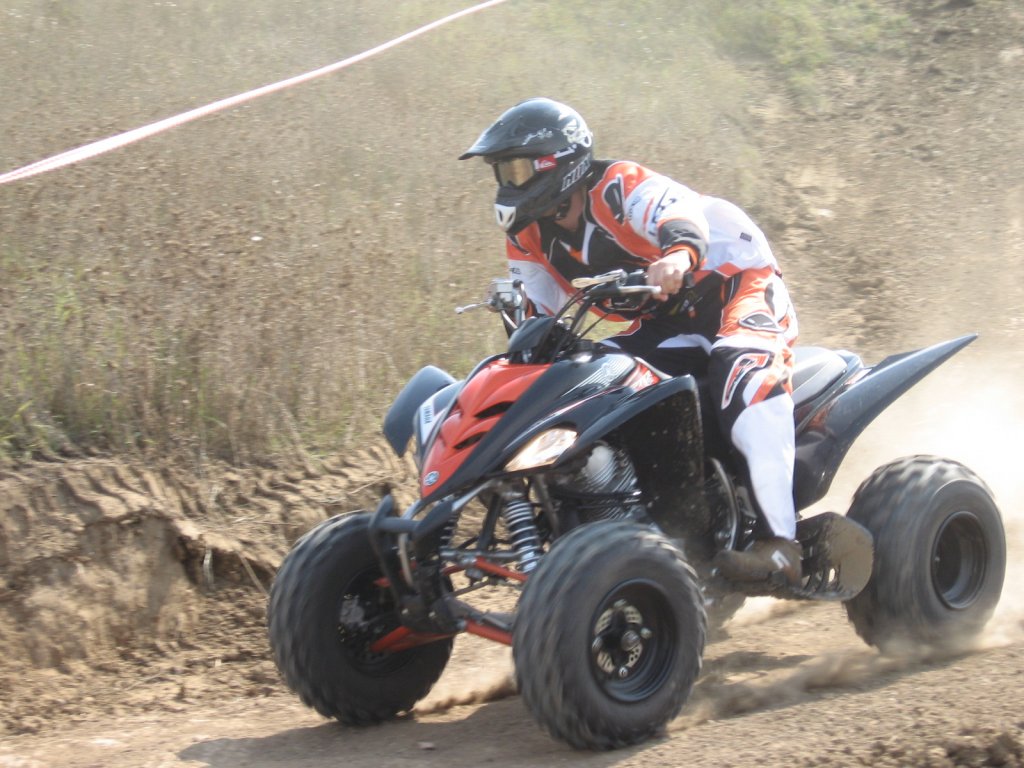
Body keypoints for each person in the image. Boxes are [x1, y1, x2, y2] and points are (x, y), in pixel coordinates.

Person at [459, 97, 802, 587]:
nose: (507, 184)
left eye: (516, 170)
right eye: (501, 172)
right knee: (590, 380)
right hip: (664, 321)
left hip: (733, 285)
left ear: (557, 164)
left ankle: (781, 546)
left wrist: (678, 255)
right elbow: (539, 315)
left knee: (743, 370)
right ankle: (652, 528)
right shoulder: (527, 235)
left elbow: (679, 212)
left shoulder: (618, 187)